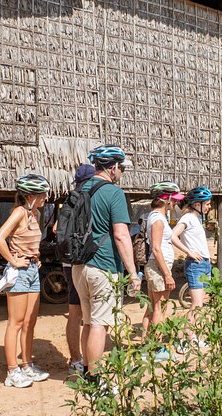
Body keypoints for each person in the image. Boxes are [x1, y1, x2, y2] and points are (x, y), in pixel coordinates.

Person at [71, 144, 141, 388]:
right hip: (103, 267)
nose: (122, 173)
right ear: (113, 168)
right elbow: (121, 235)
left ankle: (86, 369)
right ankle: (95, 381)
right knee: (100, 325)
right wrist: (133, 272)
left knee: (88, 322)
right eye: (121, 169)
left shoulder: (81, 189)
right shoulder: (114, 193)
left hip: (79, 267)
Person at [0, 174, 51, 388]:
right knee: (15, 323)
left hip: (33, 270)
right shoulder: (19, 212)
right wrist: (13, 261)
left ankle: (27, 365)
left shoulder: (34, 213)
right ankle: (12, 371)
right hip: (20, 272)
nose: (46, 197)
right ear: (30, 195)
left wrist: (35, 258)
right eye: (42, 194)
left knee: (29, 322)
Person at [141, 182, 185, 358]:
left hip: (156, 266)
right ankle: (157, 347)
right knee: (160, 307)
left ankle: (147, 344)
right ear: (165, 200)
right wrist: (167, 274)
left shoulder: (155, 217)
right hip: (159, 267)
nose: (174, 204)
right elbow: (157, 248)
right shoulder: (158, 219)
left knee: (152, 307)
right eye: (173, 200)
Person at [61, 164, 95, 377]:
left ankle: (77, 359)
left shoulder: (70, 200)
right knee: (87, 315)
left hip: (69, 262)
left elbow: (57, 229)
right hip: (85, 261)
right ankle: (84, 361)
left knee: (76, 313)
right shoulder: (90, 198)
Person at [171, 186, 213, 348]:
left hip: (204, 263)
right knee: (196, 304)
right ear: (197, 204)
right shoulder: (187, 218)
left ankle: (194, 336)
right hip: (195, 264)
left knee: (201, 303)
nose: (209, 207)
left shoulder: (196, 219)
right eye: (207, 204)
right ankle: (187, 338)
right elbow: (173, 236)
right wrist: (188, 251)